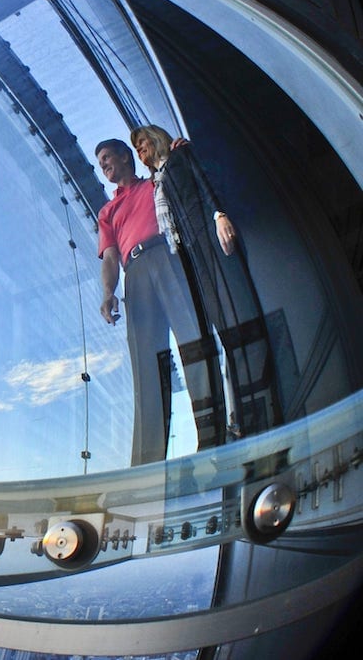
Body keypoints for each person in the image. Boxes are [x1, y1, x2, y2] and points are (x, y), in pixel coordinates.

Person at [130, 125, 281, 438]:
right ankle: (240, 414)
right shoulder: (155, 180)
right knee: (218, 321)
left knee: (234, 310)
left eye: (143, 142)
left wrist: (219, 214)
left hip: (205, 236)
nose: (141, 150)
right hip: (188, 253)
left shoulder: (181, 155)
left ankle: (261, 407)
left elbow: (204, 181)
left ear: (157, 138)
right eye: (137, 147)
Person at [95, 138, 225, 465]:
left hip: (168, 257)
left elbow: (177, 174)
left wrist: (176, 151)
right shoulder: (107, 212)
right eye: (100, 162)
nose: (104, 165)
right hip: (135, 272)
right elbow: (110, 256)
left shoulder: (154, 182)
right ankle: (147, 463)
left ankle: (214, 440)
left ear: (126, 157)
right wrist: (109, 292)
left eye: (108, 157)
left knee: (194, 342)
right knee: (146, 364)